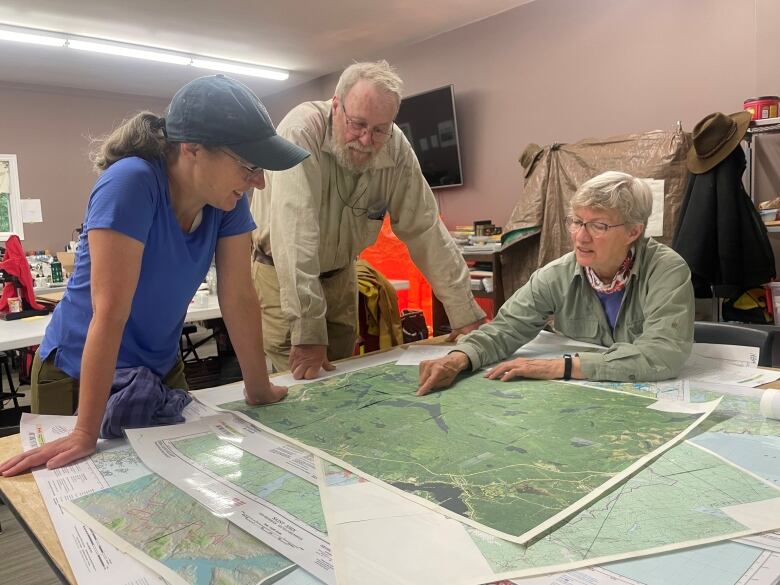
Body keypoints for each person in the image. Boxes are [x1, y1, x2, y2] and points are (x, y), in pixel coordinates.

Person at [0, 74, 310, 476]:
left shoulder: (228, 200)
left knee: (180, 489)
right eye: (249, 166)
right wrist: (84, 432)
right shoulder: (131, 182)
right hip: (80, 378)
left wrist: (258, 388)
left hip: (160, 370)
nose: (259, 181)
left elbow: (238, 295)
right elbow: (110, 312)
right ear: (193, 148)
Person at [250, 60, 485, 379]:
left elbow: (425, 228)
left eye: (379, 130)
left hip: (340, 276)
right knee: (301, 383)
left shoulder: (396, 146)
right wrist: (307, 331)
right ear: (336, 106)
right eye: (357, 124)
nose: (366, 140)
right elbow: (295, 237)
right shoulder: (300, 132)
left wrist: (464, 312)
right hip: (283, 276)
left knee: (341, 376)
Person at [417, 171, 695, 396]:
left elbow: (662, 354)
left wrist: (559, 367)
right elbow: (506, 328)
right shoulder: (557, 274)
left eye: (598, 226)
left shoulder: (666, 271)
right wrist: (458, 358)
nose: (580, 237)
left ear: (634, 232)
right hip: (582, 397)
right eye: (576, 222)